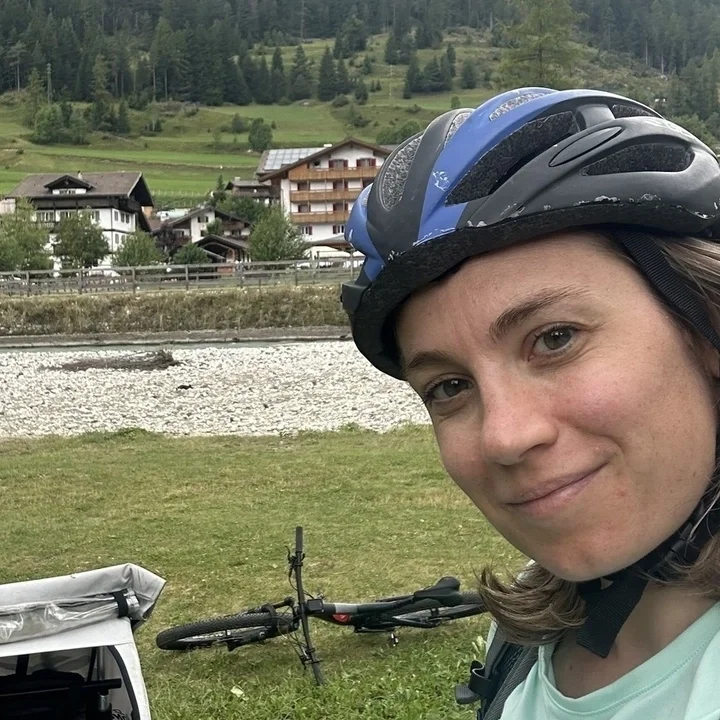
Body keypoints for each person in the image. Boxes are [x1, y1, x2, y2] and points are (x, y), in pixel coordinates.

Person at [340, 87, 720, 719]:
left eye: (555, 338)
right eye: (449, 387)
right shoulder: (532, 628)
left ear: (705, 330)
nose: (504, 437)